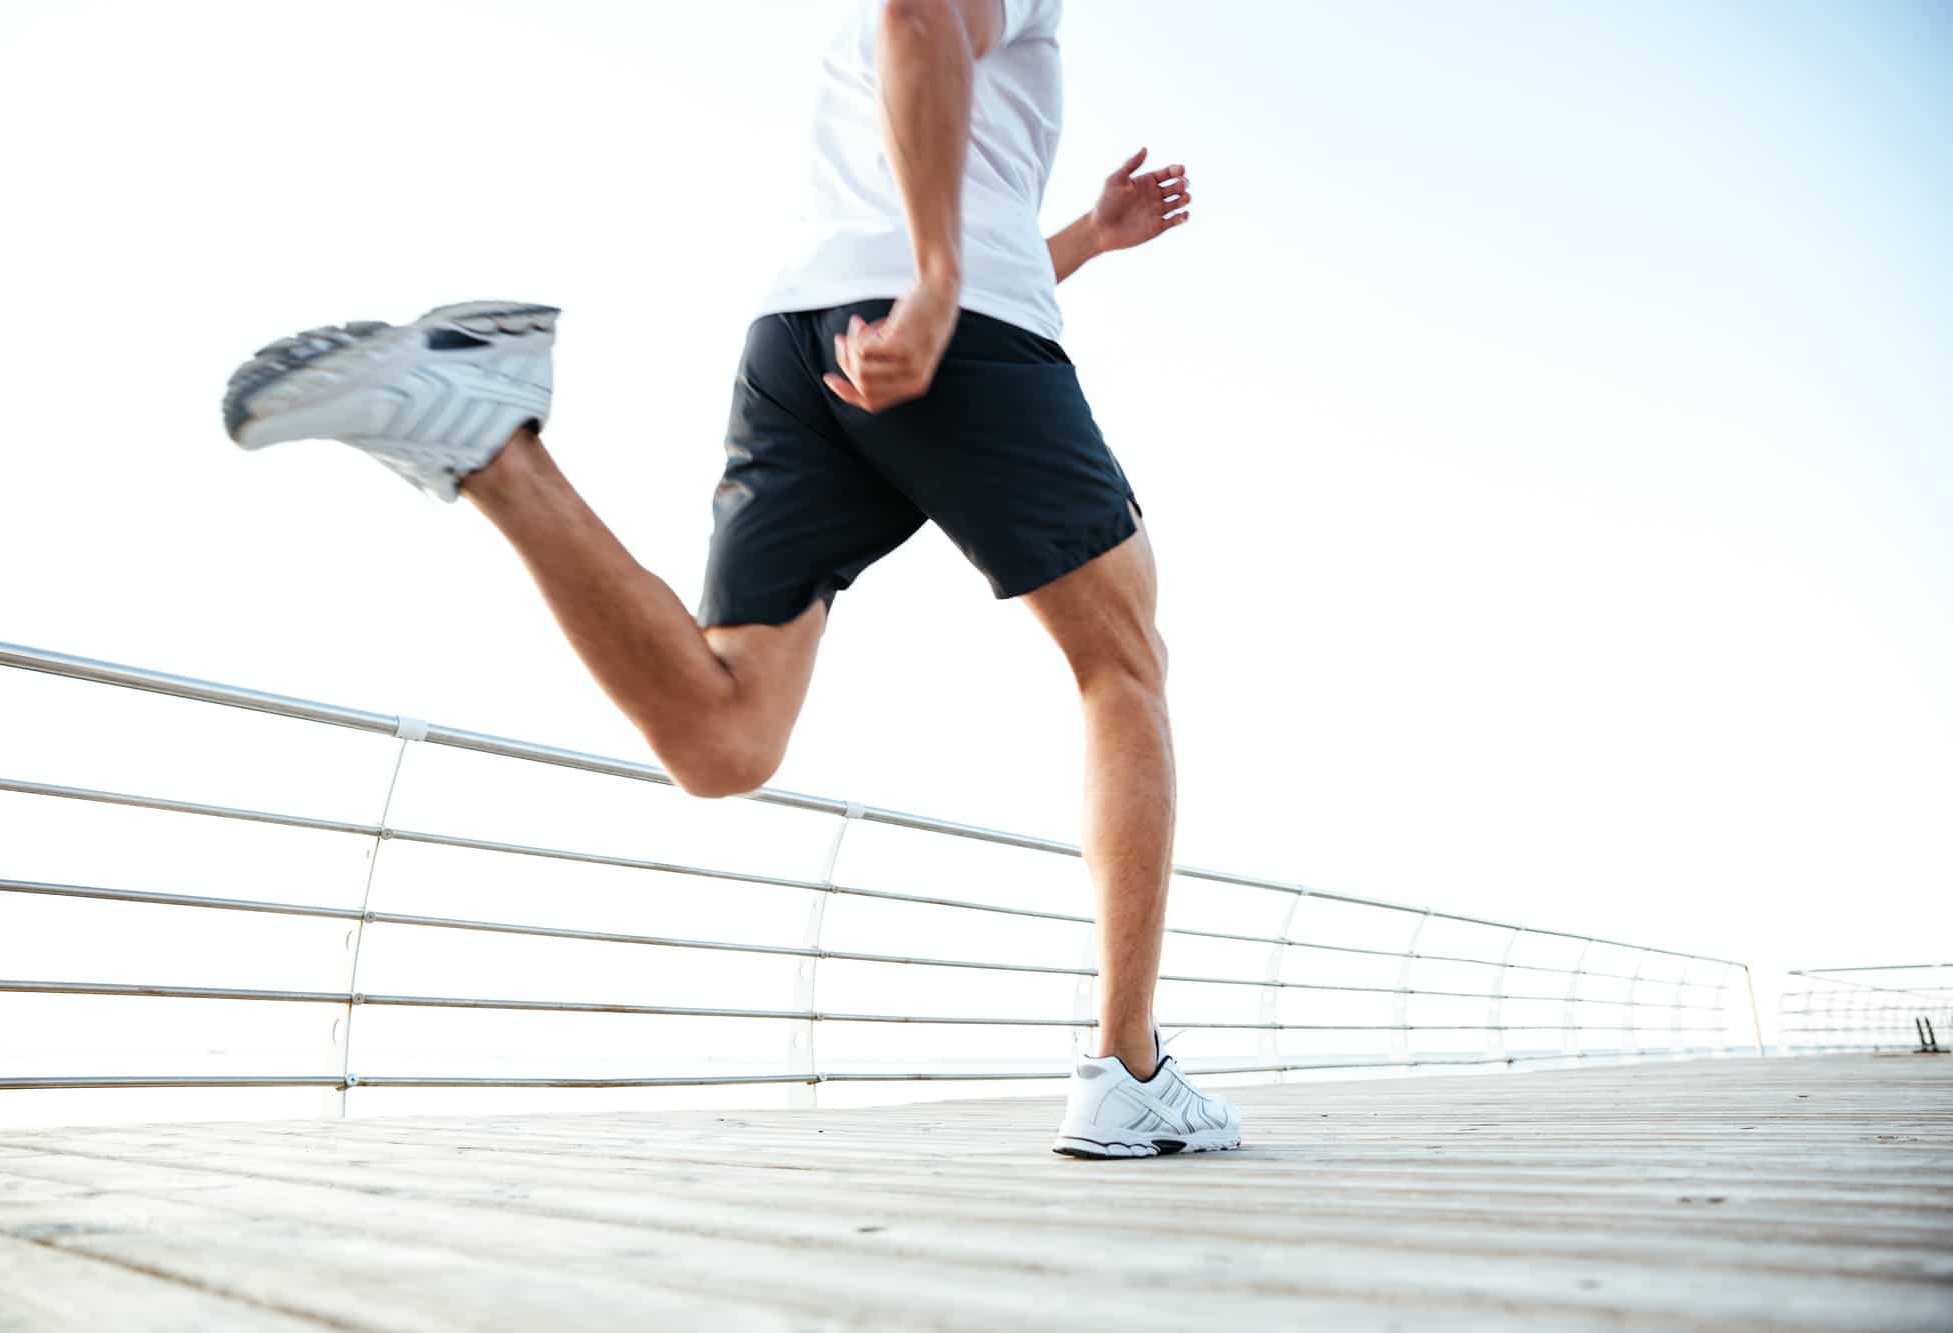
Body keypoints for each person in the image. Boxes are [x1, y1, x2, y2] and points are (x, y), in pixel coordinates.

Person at [221, 0, 1239, 1158]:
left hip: (801, 337)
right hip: (948, 329)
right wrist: (942, 281)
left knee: (726, 735)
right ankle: (1127, 1066)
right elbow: (918, 17)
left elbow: (919, 134)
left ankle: (492, 442)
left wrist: (1081, 242)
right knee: (1122, 662)